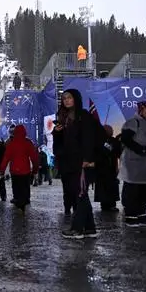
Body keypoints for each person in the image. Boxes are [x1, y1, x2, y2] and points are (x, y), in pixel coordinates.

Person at [119, 101, 146, 227]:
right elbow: (126, 139)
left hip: (145, 164)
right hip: (133, 163)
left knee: (143, 189)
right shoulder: (133, 122)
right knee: (132, 189)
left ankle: (141, 215)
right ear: (141, 110)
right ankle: (131, 216)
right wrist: (140, 149)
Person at [52, 89, 95, 217]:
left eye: (69, 97)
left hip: (79, 160)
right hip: (66, 161)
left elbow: (88, 138)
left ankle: (80, 225)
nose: (66, 100)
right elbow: (59, 142)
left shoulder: (83, 115)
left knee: (79, 192)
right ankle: (86, 225)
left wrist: (87, 158)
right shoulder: (62, 116)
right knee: (70, 190)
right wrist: (57, 133)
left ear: (75, 99)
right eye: (64, 98)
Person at [0, 125, 39, 211]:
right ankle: (26, 199)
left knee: (16, 186)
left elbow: (6, 158)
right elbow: (34, 157)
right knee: (25, 186)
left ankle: (17, 199)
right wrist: (35, 169)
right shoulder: (28, 142)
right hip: (26, 170)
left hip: (14, 171)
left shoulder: (11, 143)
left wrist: (2, 170)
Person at [94, 125, 122, 211]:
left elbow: (116, 151)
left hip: (111, 168)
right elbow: (104, 151)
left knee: (112, 186)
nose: (112, 131)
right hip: (101, 168)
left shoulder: (114, 140)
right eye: (110, 129)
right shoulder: (98, 140)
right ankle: (104, 204)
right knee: (103, 187)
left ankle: (112, 204)